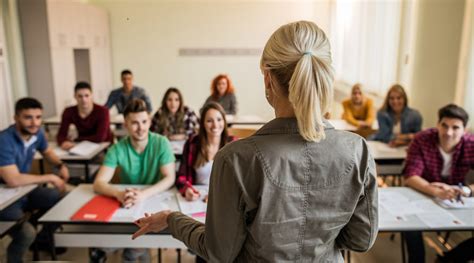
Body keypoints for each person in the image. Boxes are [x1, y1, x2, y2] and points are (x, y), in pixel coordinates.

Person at [132, 21, 378, 262]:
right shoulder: (358, 151)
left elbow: (219, 252)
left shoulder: (235, 158)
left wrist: (172, 219)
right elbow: (360, 240)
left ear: (268, 80)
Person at [93, 99, 176, 262]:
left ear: (150, 121)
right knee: (119, 241)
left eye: (144, 122)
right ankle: (133, 253)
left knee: (134, 246)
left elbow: (169, 177)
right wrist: (118, 193)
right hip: (128, 201)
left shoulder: (161, 143)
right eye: (135, 123)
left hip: (154, 200)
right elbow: (98, 183)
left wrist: (143, 194)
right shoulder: (117, 148)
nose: (141, 128)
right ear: (126, 124)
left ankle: (131, 254)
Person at [0, 98, 69, 263]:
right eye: (28, 117)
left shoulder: (36, 133)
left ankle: (43, 239)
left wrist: (60, 165)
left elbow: (47, 152)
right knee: (26, 233)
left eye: (38, 117)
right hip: (5, 199)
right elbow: (13, 179)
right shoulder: (4, 140)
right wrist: (51, 176)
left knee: (63, 198)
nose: (34, 122)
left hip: (24, 191)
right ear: (15, 118)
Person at [403, 104, 474, 263]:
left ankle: (447, 260)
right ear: (438, 124)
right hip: (422, 192)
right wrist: (434, 190)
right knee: (410, 227)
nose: (448, 133)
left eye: (455, 128)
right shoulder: (422, 139)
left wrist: (468, 190)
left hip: (457, 195)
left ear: (465, 129)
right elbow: (411, 176)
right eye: (444, 126)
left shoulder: (471, 144)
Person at [176, 102, 236, 201]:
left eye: (219, 119)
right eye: (209, 121)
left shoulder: (234, 144)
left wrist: (219, 195)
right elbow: (181, 177)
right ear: (202, 123)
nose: (215, 125)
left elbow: (241, 181)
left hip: (225, 198)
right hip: (198, 197)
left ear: (224, 122)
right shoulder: (192, 143)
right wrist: (187, 190)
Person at [57, 81, 113, 150]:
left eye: (87, 95)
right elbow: (61, 134)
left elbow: (100, 137)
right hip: (79, 147)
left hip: (102, 147)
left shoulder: (103, 111)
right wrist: (63, 142)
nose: (84, 100)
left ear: (91, 95)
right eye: (80, 96)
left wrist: (76, 140)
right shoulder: (68, 112)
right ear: (75, 96)